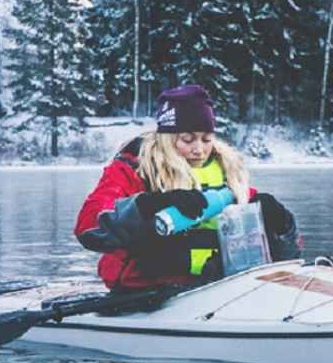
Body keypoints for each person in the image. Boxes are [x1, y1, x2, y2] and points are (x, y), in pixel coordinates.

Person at [74, 84, 300, 291]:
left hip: (216, 286)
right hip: (147, 291)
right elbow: (89, 227)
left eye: (206, 139)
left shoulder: (227, 176)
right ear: (167, 139)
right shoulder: (133, 169)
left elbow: (290, 251)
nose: (199, 150)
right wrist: (149, 204)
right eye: (187, 139)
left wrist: (282, 226)